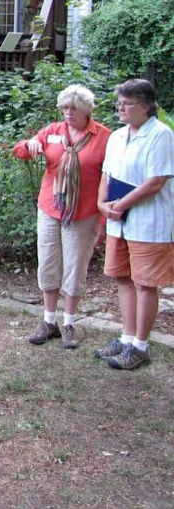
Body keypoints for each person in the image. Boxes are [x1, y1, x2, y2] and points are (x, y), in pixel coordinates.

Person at [12, 85, 110, 349]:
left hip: (84, 212)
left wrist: (103, 222)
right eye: (64, 107)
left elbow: (109, 181)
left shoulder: (103, 138)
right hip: (50, 208)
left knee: (75, 266)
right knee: (48, 262)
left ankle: (69, 323)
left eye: (73, 108)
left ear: (86, 110)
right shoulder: (53, 132)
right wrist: (29, 144)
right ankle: (48, 321)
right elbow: (20, 151)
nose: (68, 112)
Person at [95, 79, 174, 370]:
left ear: (145, 106)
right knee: (124, 279)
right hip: (120, 222)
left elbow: (156, 181)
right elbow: (107, 174)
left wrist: (120, 205)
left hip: (148, 223)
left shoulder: (161, 135)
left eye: (127, 104)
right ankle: (126, 337)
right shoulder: (117, 136)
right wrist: (103, 205)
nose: (121, 108)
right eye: (120, 102)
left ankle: (140, 346)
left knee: (145, 284)